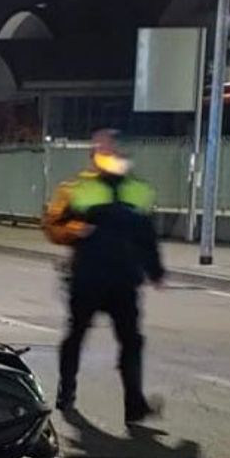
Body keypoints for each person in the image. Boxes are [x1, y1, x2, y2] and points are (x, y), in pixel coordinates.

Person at [43, 129, 165, 424]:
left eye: (113, 148)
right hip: (88, 278)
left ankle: (134, 404)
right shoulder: (76, 189)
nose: (108, 153)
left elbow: (146, 235)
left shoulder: (138, 190)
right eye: (102, 148)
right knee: (76, 336)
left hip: (124, 280)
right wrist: (75, 230)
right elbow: (51, 225)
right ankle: (66, 391)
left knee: (132, 341)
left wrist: (155, 270)